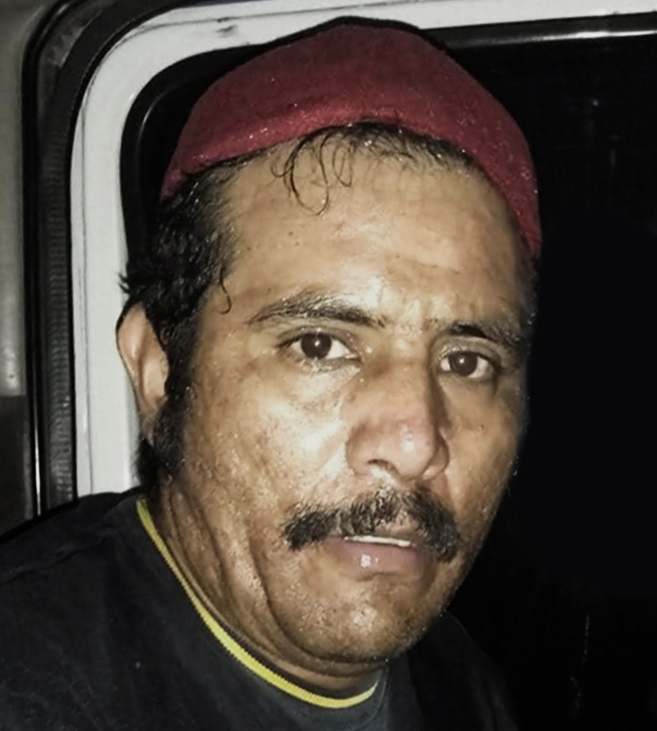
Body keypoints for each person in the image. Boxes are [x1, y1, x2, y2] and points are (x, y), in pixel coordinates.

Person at [0, 20, 539, 730]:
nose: (415, 443)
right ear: (159, 372)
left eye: (466, 361)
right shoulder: (29, 688)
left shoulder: (458, 680)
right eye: (319, 345)